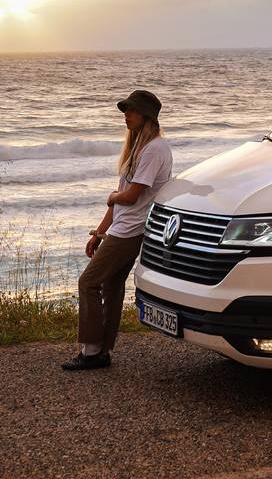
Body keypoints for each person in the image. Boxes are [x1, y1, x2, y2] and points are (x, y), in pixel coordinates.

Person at [62, 89, 173, 371]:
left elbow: (130, 196)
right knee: (111, 286)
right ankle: (101, 352)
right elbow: (123, 194)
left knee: (88, 282)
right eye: (125, 110)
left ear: (145, 116)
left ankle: (90, 351)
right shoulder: (137, 147)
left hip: (131, 231)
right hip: (122, 228)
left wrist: (112, 197)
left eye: (131, 111)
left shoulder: (154, 149)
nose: (126, 115)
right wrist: (99, 233)